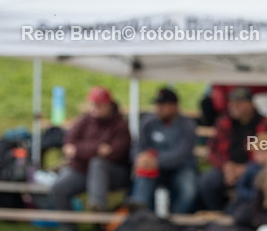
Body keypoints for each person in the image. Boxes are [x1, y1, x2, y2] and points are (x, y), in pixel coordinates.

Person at [49, 86, 131, 218]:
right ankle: (70, 230)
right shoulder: (84, 120)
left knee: (98, 164)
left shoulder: (120, 125)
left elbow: (115, 153)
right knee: (58, 189)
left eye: (99, 105)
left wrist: (78, 150)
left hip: (112, 174)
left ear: (108, 105)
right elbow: (68, 144)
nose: (94, 108)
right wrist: (96, 149)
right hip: (81, 170)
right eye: (92, 104)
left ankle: (99, 214)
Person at [197, 87, 267, 211]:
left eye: (239, 103)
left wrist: (245, 168)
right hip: (227, 168)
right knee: (207, 182)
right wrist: (226, 166)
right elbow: (212, 150)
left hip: (254, 168)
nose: (233, 106)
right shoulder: (224, 122)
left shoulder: (264, 123)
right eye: (232, 103)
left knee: (256, 181)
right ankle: (220, 214)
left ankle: (248, 214)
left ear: (250, 104)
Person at [130, 87, 197, 214]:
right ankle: (141, 219)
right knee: (143, 180)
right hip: (154, 168)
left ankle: (177, 221)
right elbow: (137, 146)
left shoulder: (187, 125)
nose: (159, 108)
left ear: (174, 106)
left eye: (163, 105)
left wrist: (157, 160)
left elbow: (182, 154)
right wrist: (139, 158)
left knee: (189, 189)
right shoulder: (148, 122)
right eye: (157, 104)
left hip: (181, 167)